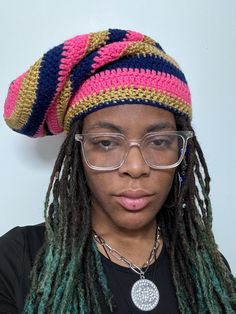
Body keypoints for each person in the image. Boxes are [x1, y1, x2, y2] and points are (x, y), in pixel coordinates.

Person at [1, 29, 235, 314]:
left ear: (182, 149)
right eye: (107, 142)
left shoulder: (206, 265)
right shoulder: (17, 258)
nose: (135, 168)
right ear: (79, 151)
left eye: (159, 142)